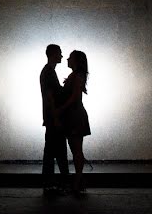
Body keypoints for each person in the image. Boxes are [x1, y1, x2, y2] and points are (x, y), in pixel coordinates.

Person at [55, 50, 91, 195]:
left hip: (75, 115)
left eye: (70, 57)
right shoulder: (76, 75)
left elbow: (75, 97)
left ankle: (77, 182)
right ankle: (78, 181)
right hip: (74, 115)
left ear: (76, 60)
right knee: (76, 149)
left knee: (76, 149)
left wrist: (60, 109)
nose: (67, 59)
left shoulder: (77, 75)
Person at [39, 44, 70, 195]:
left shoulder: (47, 72)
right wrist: (56, 117)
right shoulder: (49, 72)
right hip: (54, 118)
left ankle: (50, 182)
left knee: (52, 151)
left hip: (51, 117)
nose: (62, 56)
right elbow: (51, 97)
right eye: (60, 53)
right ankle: (58, 182)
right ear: (53, 54)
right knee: (57, 151)